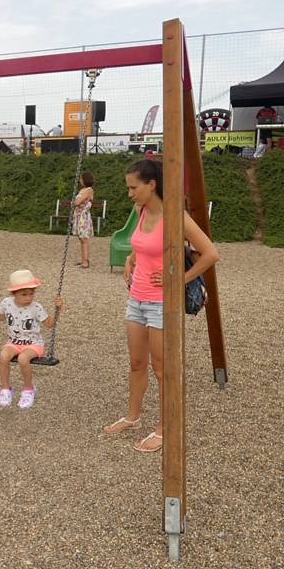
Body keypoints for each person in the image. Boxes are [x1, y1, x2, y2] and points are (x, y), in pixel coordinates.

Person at [103, 158, 219, 452]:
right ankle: (133, 417)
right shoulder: (140, 211)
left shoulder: (175, 216)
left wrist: (179, 278)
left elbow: (210, 254)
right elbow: (141, 245)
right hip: (136, 298)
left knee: (161, 368)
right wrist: (131, 259)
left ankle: (165, 427)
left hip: (160, 303)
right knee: (136, 363)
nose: (129, 193)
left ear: (151, 185)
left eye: (133, 187)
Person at [0, 270, 63, 409]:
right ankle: (5, 389)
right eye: (24, 294)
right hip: (13, 343)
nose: (28, 298)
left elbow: (49, 324)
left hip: (33, 344)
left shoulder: (36, 307)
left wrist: (58, 309)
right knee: (3, 356)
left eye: (31, 293)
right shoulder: (7, 303)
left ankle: (28, 390)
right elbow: (0, 317)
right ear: (14, 294)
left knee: (23, 359)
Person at [72, 171, 95, 268]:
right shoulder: (83, 190)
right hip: (78, 216)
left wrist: (75, 202)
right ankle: (83, 260)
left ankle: (86, 261)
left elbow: (77, 202)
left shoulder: (89, 190)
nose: (80, 180)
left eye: (81, 179)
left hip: (83, 217)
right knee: (81, 238)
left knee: (84, 239)